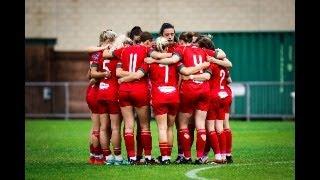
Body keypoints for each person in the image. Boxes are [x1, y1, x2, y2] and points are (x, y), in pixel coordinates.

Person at [85, 30, 114, 165]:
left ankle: (94, 155)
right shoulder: (99, 53)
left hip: (93, 90)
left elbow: (88, 75)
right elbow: (92, 74)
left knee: (96, 126)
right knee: (100, 127)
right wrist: (103, 75)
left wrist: (94, 77)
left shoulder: (97, 53)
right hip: (97, 92)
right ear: (108, 40)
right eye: (112, 40)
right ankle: (98, 156)